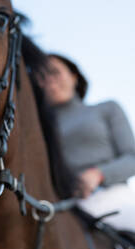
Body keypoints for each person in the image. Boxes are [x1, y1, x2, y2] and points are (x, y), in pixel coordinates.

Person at [39, 54, 135, 230]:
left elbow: (132, 158)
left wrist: (98, 174)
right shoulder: (39, 132)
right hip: (65, 208)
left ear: (74, 76)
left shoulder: (106, 109)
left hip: (114, 198)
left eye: (55, 72)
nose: (50, 80)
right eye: (41, 77)